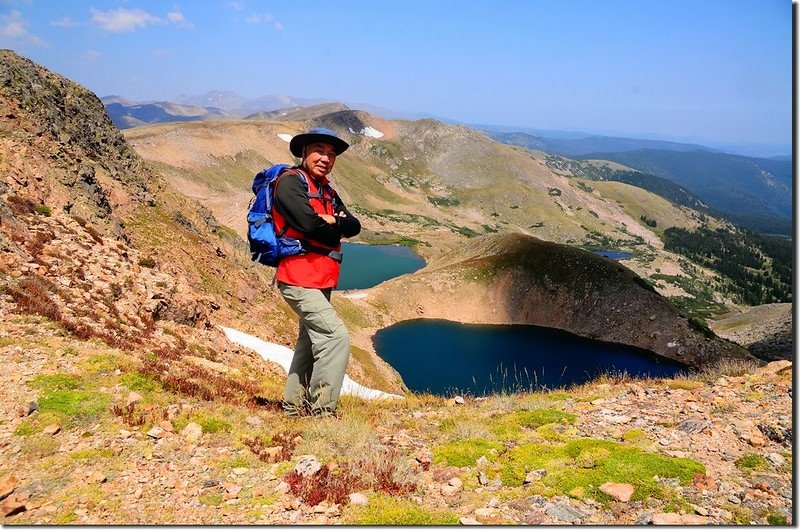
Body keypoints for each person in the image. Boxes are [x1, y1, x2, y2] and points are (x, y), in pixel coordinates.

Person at [272, 127, 361, 417]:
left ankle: (293, 406)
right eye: (319, 151)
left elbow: (354, 227)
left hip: (321, 278)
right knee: (336, 338)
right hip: (298, 278)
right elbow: (309, 226)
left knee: (310, 342)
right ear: (304, 152)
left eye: (331, 154)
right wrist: (334, 222)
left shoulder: (326, 190)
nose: (326, 158)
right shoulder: (289, 183)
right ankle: (323, 412)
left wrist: (331, 218)